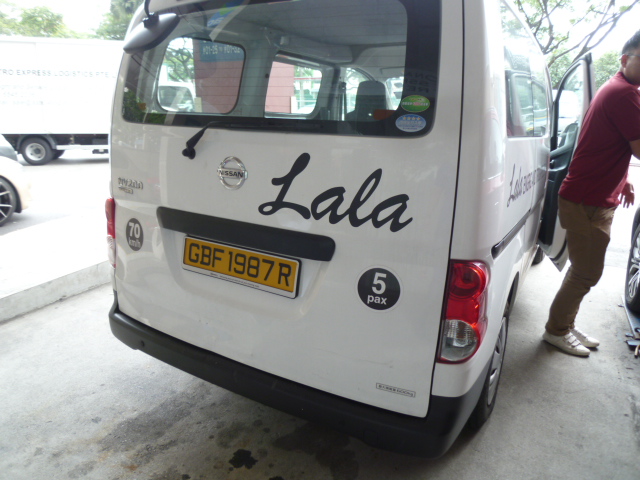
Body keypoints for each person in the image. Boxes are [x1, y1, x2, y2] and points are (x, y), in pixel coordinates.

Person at [543, 30, 640, 357]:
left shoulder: (619, 88)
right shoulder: (623, 94)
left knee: (581, 270)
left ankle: (565, 323)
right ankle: (555, 331)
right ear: (625, 59)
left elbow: (614, 143)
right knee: (586, 273)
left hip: (593, 198)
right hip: (586, 201)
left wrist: (624, 179)